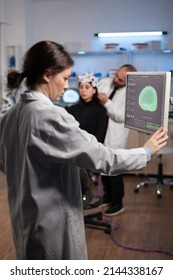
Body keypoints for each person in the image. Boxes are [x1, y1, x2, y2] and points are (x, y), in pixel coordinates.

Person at [0, 41, 168, 260]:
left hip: (25, 216)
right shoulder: (51, 116)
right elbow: (103, 157)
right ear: (46, 75)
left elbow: (7, 162)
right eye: (64, 78)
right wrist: (146, 151)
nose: (66, 86)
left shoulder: (10, 115)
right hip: (53, 223)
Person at [97, 64, 137, 216]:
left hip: (115, 136)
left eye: (120, 79)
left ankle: (117, 203)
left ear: (128, 81)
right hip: (101, 132)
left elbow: (121, 116)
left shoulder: (131, 94)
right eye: (116, 75)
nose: (116, 79)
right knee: (103, 167)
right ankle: (107, 197)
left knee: (114, 170)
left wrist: (106, 102)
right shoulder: (106, 81)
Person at [67, 72, 108, 208]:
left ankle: (83, 196)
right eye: (81, 87)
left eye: (87, 87)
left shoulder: (101, 111)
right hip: (71, 151)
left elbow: (99, 137)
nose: (83, 90)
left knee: (79, 171)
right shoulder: (72, 109)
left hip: (89, 152)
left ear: (94, 89)